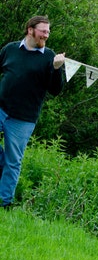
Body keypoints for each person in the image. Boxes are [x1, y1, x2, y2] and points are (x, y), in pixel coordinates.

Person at [0, 15, 65, 208]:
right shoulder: (10, 49)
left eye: (48, 32)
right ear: (30, 30)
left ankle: (4, 203)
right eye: (43, 31)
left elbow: (55, 90)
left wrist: (56, 69)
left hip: (23, 119)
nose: (46, 35)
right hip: (1, 107)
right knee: (7, 163)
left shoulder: (49, 57)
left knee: (14, 161)